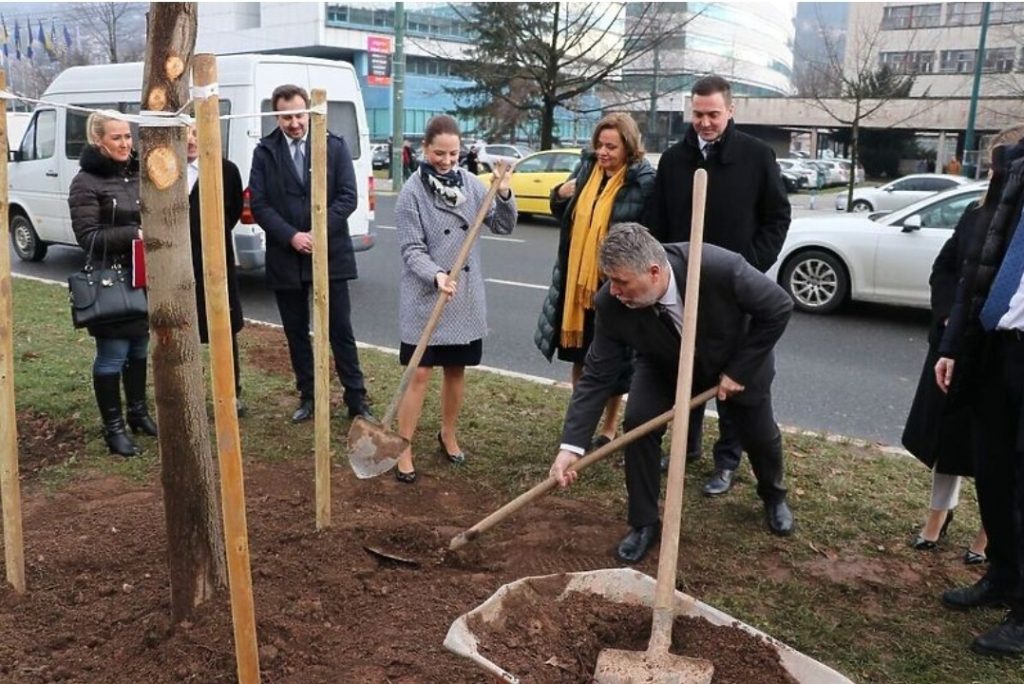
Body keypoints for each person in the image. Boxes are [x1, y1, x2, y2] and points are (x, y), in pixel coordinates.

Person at [549, 223, 794, 564]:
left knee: (759, 434)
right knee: (639, 425)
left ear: (653, 272)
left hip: (735, 360)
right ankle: (644, 522)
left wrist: (739, 370)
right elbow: (597, 375)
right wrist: (571, 447)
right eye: (610, 280)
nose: (614, 290)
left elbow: (779, 306)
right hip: (664, 363)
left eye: (621, 282)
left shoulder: (717, 267)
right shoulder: (611, 303)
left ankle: (773, 495)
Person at [648, 74, 791, 495]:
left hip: (735, 291)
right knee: (686, 374)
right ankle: (685, 447)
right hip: (683, 289)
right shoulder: (674, 161)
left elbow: (777, 217)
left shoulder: (756, 155)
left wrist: (751, 264)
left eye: (713, 114)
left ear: (730, 111)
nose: (705, 123)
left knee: (733, 380)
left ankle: (726, 462)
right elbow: (657, 223)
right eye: (698, 114)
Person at [934, 134, 1024, 657]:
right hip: (996, 348)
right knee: (992, 472)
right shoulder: (1014, 170)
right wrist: (954, 346)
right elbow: (978, 270)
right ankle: (1004, 576)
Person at [392, 115, 516, 483]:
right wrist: (436, 274)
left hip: (463, 298)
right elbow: (411, 249)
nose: (446, 161)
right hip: (426, 294)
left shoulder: (474, 185)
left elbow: (503, 225)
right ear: (425, 149)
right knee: (420, 373)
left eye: (453, 153)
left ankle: (448, 433)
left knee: (456, 371)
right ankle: (403, 446)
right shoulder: (411, 193)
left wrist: (504, 191)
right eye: (438, 154)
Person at [249, 84, 372, 423]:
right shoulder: (264, 152)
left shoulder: (333, 146)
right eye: (286, 116)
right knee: (296, 331)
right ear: (277, 116)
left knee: (340, 330)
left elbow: (348, 196)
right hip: (286, 257)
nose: (294, 123)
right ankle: (310, 395)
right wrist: (291, 237)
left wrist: (318, 232)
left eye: (299, 114)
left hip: (329, 254)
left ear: (309, 112)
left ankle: (356, 399)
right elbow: (259, 203)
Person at [535, 113, 655, 451]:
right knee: (579, 355)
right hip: (576, 283)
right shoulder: (586, 169)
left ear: (628, 148)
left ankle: (609, 426)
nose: (603, 152)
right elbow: (564, 214)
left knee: (614, 359)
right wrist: (560, 193)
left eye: (611, 147)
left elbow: (649, 234)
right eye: (600, 145)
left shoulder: (642, 181)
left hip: (613, 285)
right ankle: (582, 418)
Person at [902, 196, 989, 564]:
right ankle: (937, 515)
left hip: (1001, 349)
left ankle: (989, 534)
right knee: (947, 435)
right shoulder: (976, 212)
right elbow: (944, 268)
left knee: (995, 447)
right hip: (955, 343)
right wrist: (948, 315)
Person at [68, 112, 157, 457]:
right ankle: (114, 429)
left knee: (139, 350)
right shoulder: (86, 181)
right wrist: (133, 234)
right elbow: (88, 237)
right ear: (98, 141)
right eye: (117, 138)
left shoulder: (136, 172)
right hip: (110, 280)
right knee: (113, 354)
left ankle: (138, 413)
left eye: (128, 137)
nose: (125, 144)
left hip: (141, 276)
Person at [185, 125, 246, 416]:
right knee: (186, 329)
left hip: (216, 261)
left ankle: (231, 394)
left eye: (196, 133)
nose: (191, 141)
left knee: (224, 326)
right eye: (183, 135)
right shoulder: (164, 171)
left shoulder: (225, 170)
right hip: (179, 264)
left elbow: (232, 210)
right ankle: (190, 393)